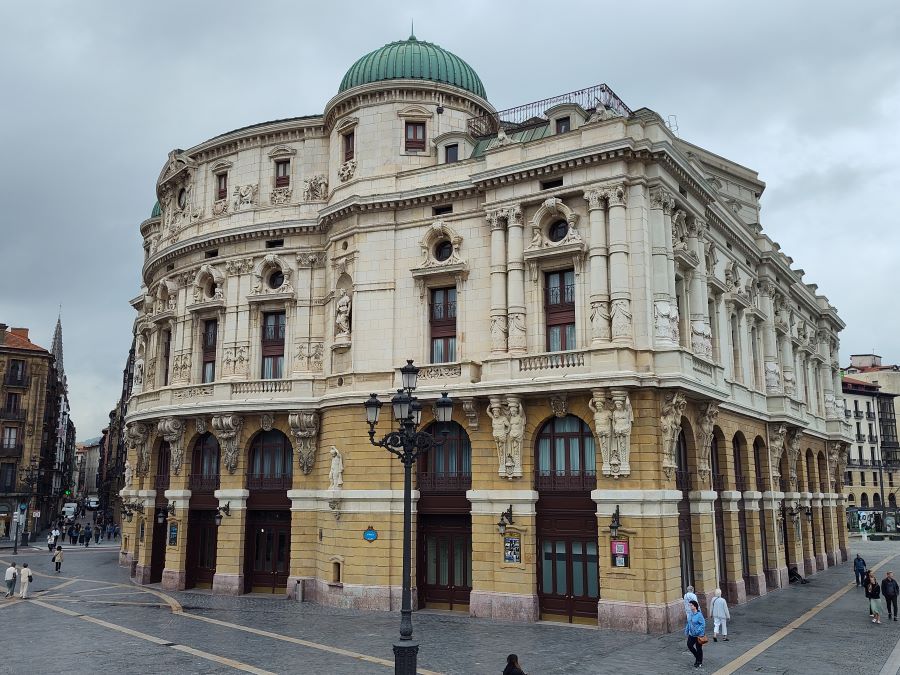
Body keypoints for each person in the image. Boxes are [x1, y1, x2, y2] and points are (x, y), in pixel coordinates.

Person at [684, 599, 706, 669]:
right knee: (689, 645)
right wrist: (686, 631)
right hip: (691, 634)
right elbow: (689, 623)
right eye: (689, 605)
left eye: (691, 605)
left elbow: (703, 624)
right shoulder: (690, 614)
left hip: (698, 634)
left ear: (695, 606)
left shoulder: (699, 615)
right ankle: (697, 657)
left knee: (699, 648)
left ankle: (699, 661)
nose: (690, 606)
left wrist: (698, 631)